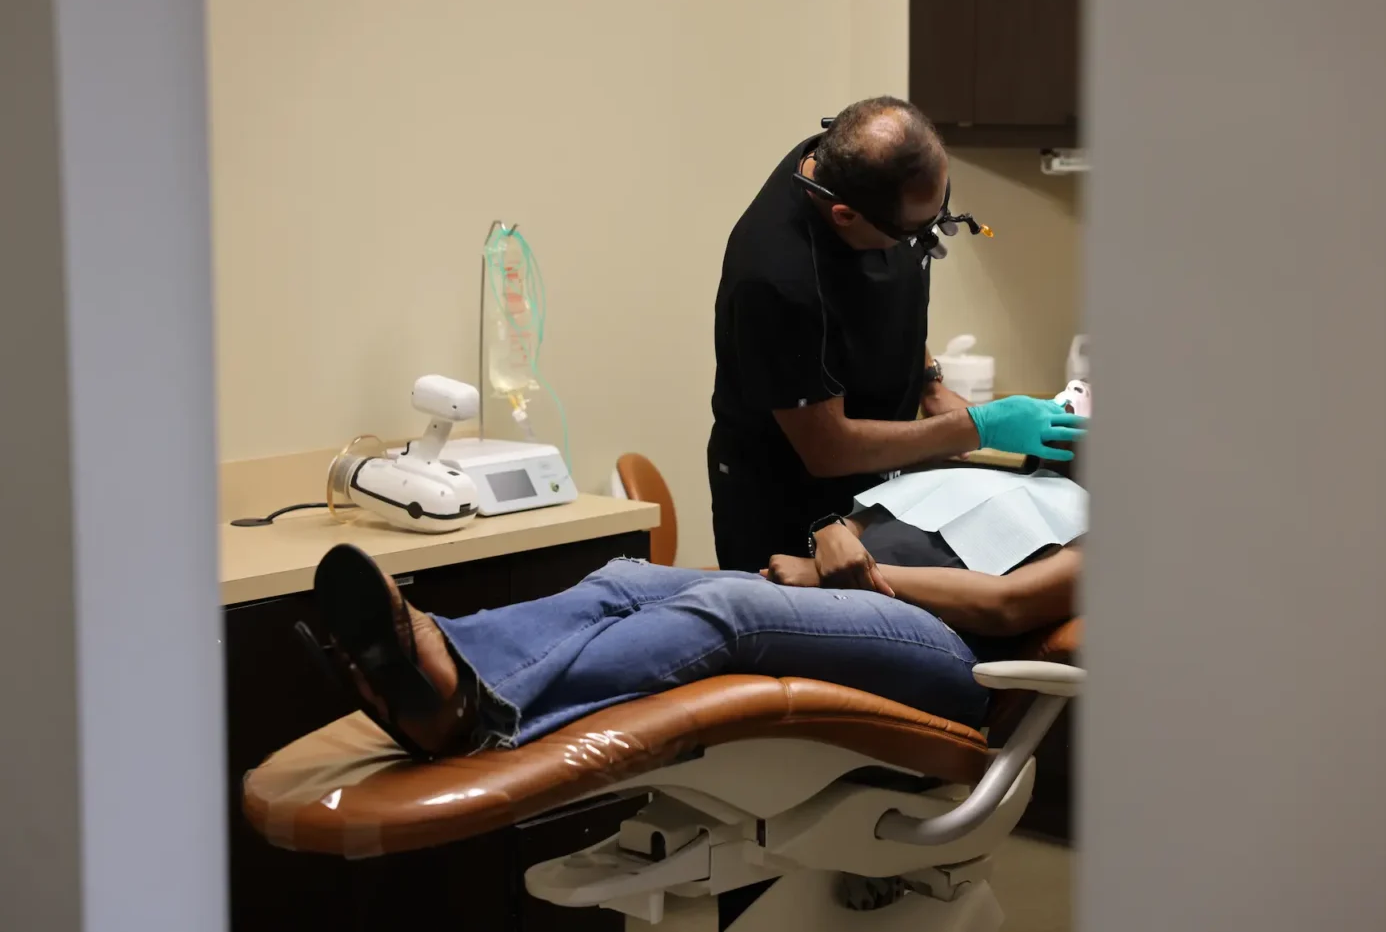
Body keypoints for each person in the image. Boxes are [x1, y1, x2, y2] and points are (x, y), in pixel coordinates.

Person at [298, 481, 1081, 761]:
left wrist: (836, 570)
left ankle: (471, 705)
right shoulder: (987, 473)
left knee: (729, 611)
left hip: (952, 654)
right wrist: (830, 534)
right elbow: (860, 522)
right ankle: (446, 654)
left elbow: (1010, 604)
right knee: (627, 576)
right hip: (848, 601)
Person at [708, 96, 1086, 571]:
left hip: (876, 482)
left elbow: (884, 294)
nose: (927, 236)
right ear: (844, 215)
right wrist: (978, 426)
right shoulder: (777, 278)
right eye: (915, 231)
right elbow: (828, 448)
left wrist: (929, 382)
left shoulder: (862, 163)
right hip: (788, 495)